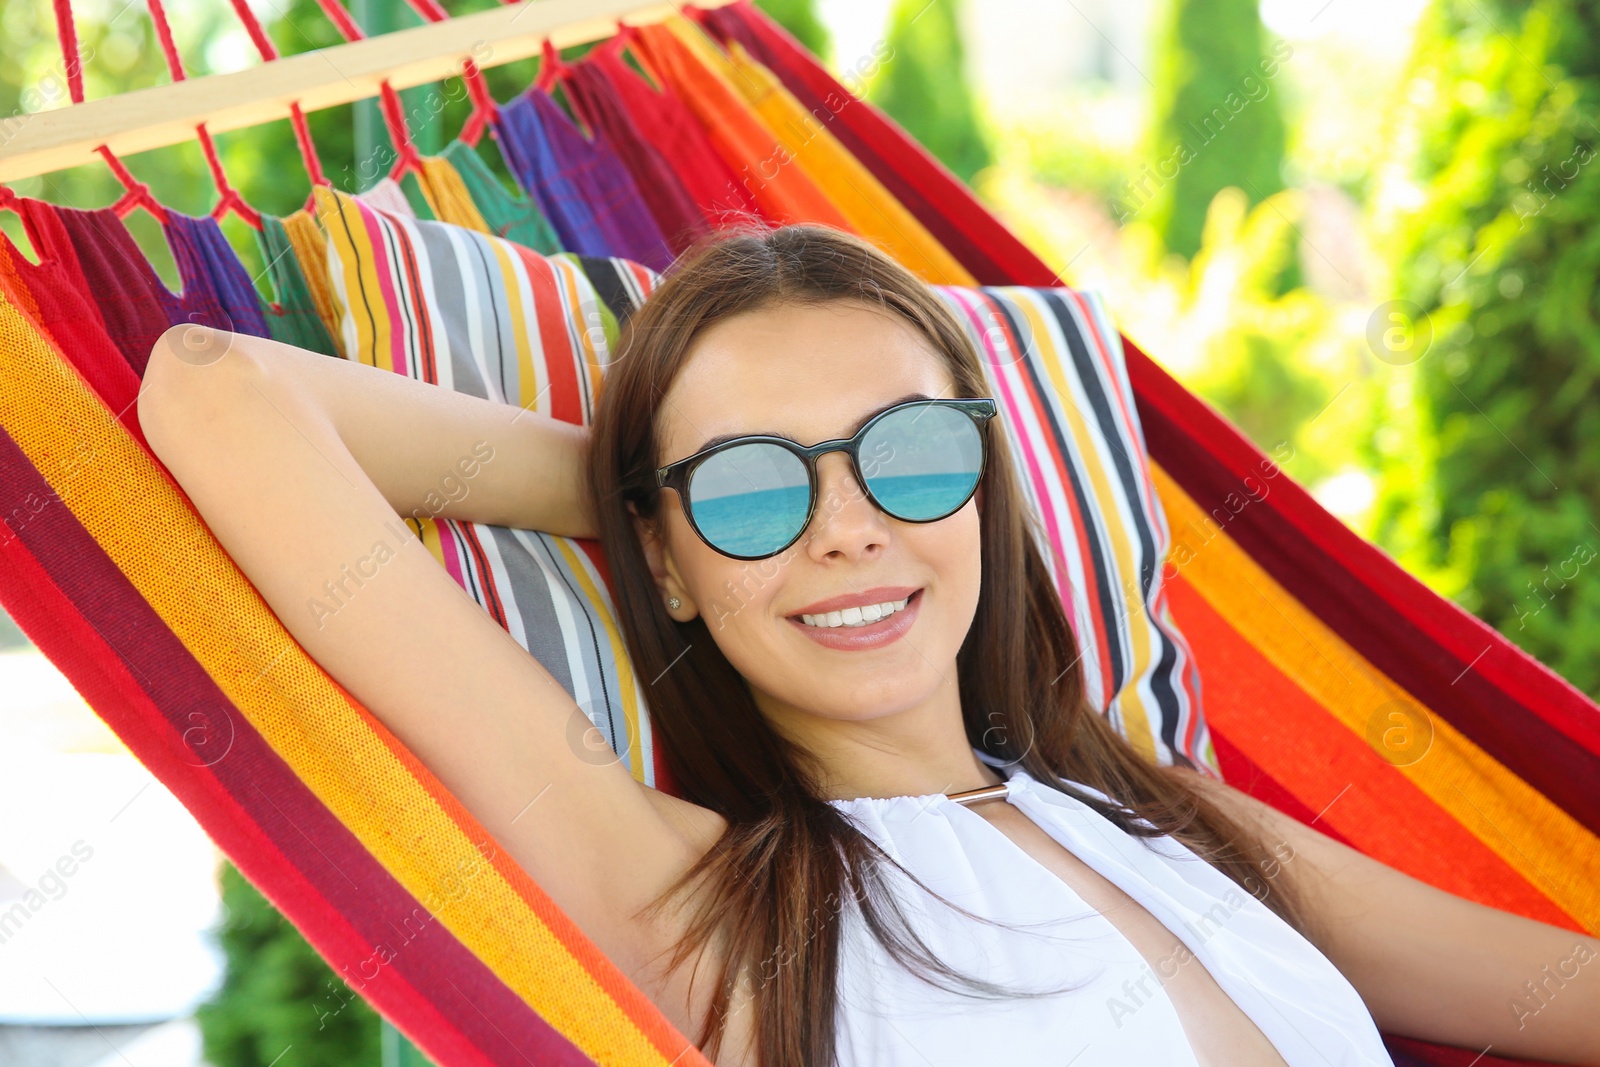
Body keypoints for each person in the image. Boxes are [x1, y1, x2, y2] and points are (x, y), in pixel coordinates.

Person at [137, 224, 1600, 1067]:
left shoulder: (1160, 809)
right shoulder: (703, 902)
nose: (845, 528)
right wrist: (645, 500)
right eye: (764, 485)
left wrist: (716, 500)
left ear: (982, 486)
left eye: (905, 453)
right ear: (668, 558)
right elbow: (213, 389)